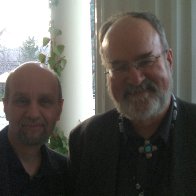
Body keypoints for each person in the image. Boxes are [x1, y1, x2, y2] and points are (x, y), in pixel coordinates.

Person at [68, 11, 196, 196]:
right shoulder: (85, 141)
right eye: (119, 67)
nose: (135, 79)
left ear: (169, 60)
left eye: (146, 61)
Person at [0, 62, 73, 195]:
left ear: (59, 109)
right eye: (22, 101)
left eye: (45, 101)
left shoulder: (67, 174)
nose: (33, 114)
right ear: (5, 107)